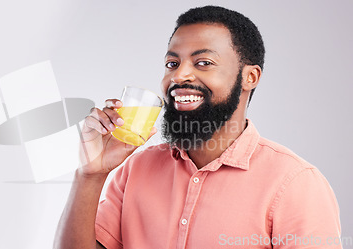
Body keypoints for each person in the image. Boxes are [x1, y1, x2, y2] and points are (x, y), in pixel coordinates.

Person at [54, 5, 342, 249]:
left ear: (250, 77)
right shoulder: (136, 169)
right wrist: (90, 174)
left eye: (203, 62)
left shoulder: (294, 183)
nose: (179, 76)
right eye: (172, 63)